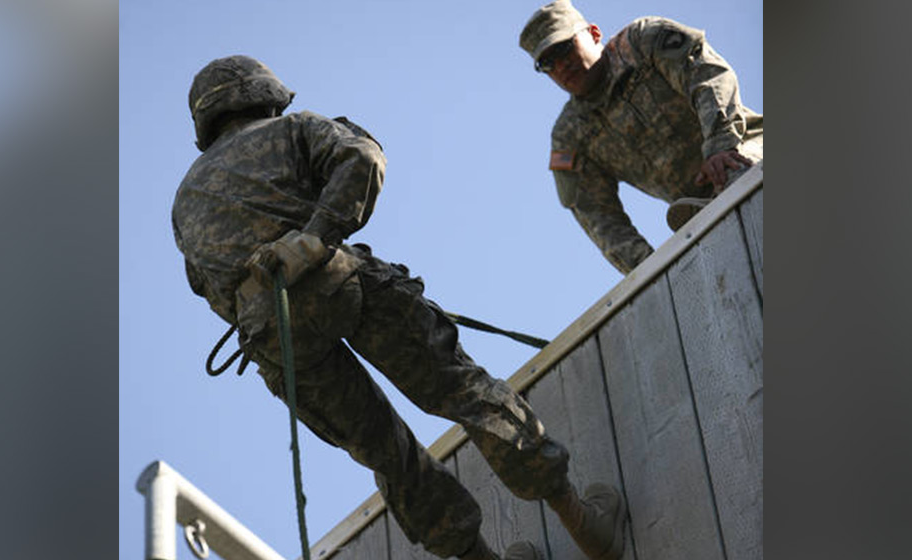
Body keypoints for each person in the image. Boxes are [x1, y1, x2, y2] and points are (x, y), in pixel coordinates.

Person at [172, 55, 627, 560]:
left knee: (386, 454)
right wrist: (317, 236)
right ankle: (584, 525)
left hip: (274, 336)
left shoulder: (185, 201)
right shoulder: (291, 131)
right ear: (263, 96)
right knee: (463, 391)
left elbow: (208, 287)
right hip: (342, 283)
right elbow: (362, 158)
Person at [519, 0, 763, 275]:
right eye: (547, 63)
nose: (561, 66)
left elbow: (707, 77)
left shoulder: (642, 43)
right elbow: (599, 218)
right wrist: (653, 272)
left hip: (746, 153)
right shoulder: (571, 137)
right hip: (697, 208)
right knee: (708, 264)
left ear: (594, 33)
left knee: (739, 181)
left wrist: (721, 146)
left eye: (564, 49)